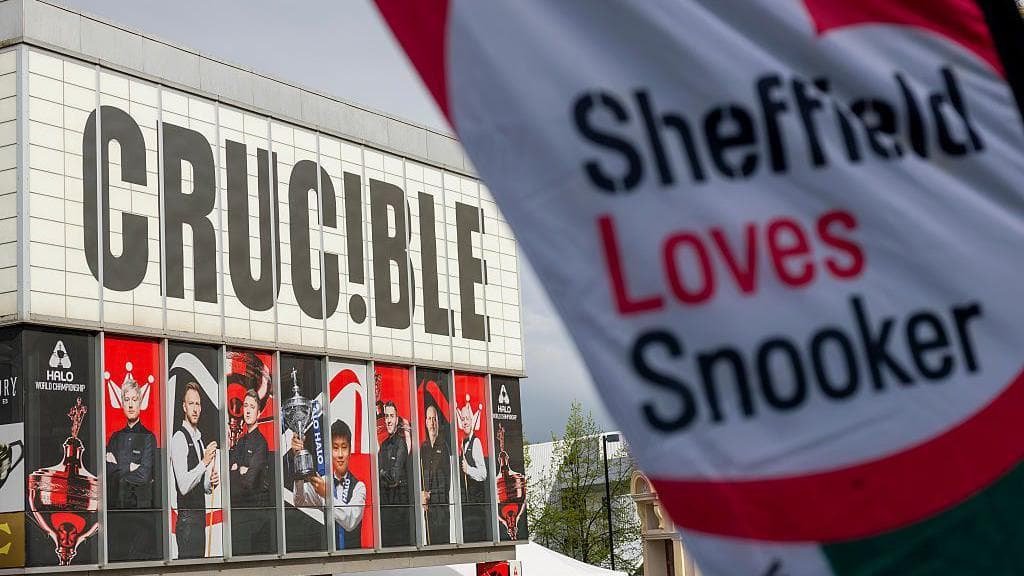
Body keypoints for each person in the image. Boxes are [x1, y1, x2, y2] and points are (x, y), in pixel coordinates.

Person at [105, 374, 158, 560]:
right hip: (115, 513)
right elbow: (106, 472)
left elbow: (144, 475)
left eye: (134, 399)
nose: (130, 404)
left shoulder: (148, 437)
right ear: (121, 403)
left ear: (141, 402)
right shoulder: (115, 437)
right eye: (126, 400)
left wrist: (118, 468)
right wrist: (129, 467)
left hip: (139, 514)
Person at [294, 419, 367, 549]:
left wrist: (327, 495)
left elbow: (350, 522)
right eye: (335, 448)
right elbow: (299, 500)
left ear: (350, 451)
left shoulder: (359, 487)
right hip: (328, 555)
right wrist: (299, 458)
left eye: (344, 448)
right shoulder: (323, 482)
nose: (340, 455)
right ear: (329, 451)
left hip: (354, 560)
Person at [170, 381, 219, 559]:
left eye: (198, 404)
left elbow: (202, 486)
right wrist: (204, 462)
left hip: (199, 518)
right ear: (184, 406)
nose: (195, 409)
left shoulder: (199, 439)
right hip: (187, 521)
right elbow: (183, 486)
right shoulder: (179, 438)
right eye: (191, 404)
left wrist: (209, 483)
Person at [229, 389, 272, 554]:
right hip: (239, 516)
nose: (247, 410)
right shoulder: (240, 443)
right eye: (245, 405)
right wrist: (240, 470)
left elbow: (249, 481)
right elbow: (231, 473)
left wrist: (238, 470)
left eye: (252, 407)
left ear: (259, 412)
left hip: (256, 519)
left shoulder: (261, 444)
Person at [378, 400, 411, 546]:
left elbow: (394, 479)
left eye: (391, 416)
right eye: (386, 416)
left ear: (397, 419)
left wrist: (381, 472)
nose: (389, 420)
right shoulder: (384, 445)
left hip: (399, 513)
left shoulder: (401, 444)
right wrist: (383, 473)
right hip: (385, 512)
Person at [458, 401, 490, 542]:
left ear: (472, 420)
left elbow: (483, 474)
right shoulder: (463, 443)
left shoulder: (476, 442)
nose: (465, 422)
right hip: (467, 503)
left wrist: (468, 469)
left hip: (477, 504)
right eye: (463, 419)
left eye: (467, 419)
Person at [420, 404, 451, 545]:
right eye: (429, 419)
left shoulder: (444, 447)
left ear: (438, 422)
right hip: (428, 510)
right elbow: (421, 476)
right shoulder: (424, 448)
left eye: (434, 419)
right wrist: (422, 494)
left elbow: (447, 485)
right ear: (426, 422)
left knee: (441, 546)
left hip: (441, 511)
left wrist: (429, 495)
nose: (432, 423)